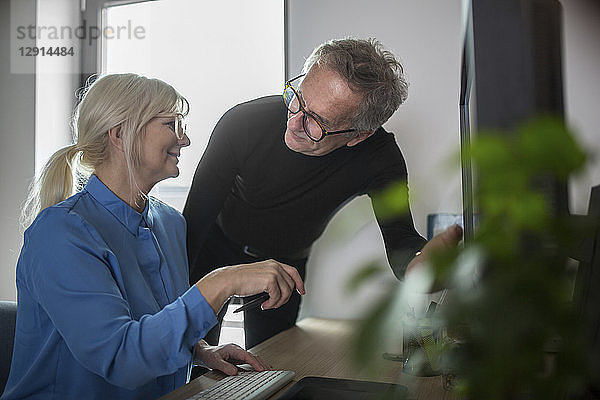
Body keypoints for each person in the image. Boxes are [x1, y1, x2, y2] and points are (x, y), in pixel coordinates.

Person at [0, 73, 305, 400]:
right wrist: (221, 282)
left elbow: (150, 325)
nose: (184, 139)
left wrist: (199, 349)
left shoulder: (169, 222)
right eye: (171, 124)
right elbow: (120, 358)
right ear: (119, 134)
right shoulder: (60, 234)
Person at [183, 37, 462, 350]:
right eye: (298, 98)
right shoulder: (244, 123)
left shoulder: (379, 158)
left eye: (317, 121)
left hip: (285, 266)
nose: (294, 122)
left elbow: (402, 241)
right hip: (213, 251)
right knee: (193, 359)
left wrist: (421, 270)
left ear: (359, 135)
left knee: (272, 366)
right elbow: (192, 224)